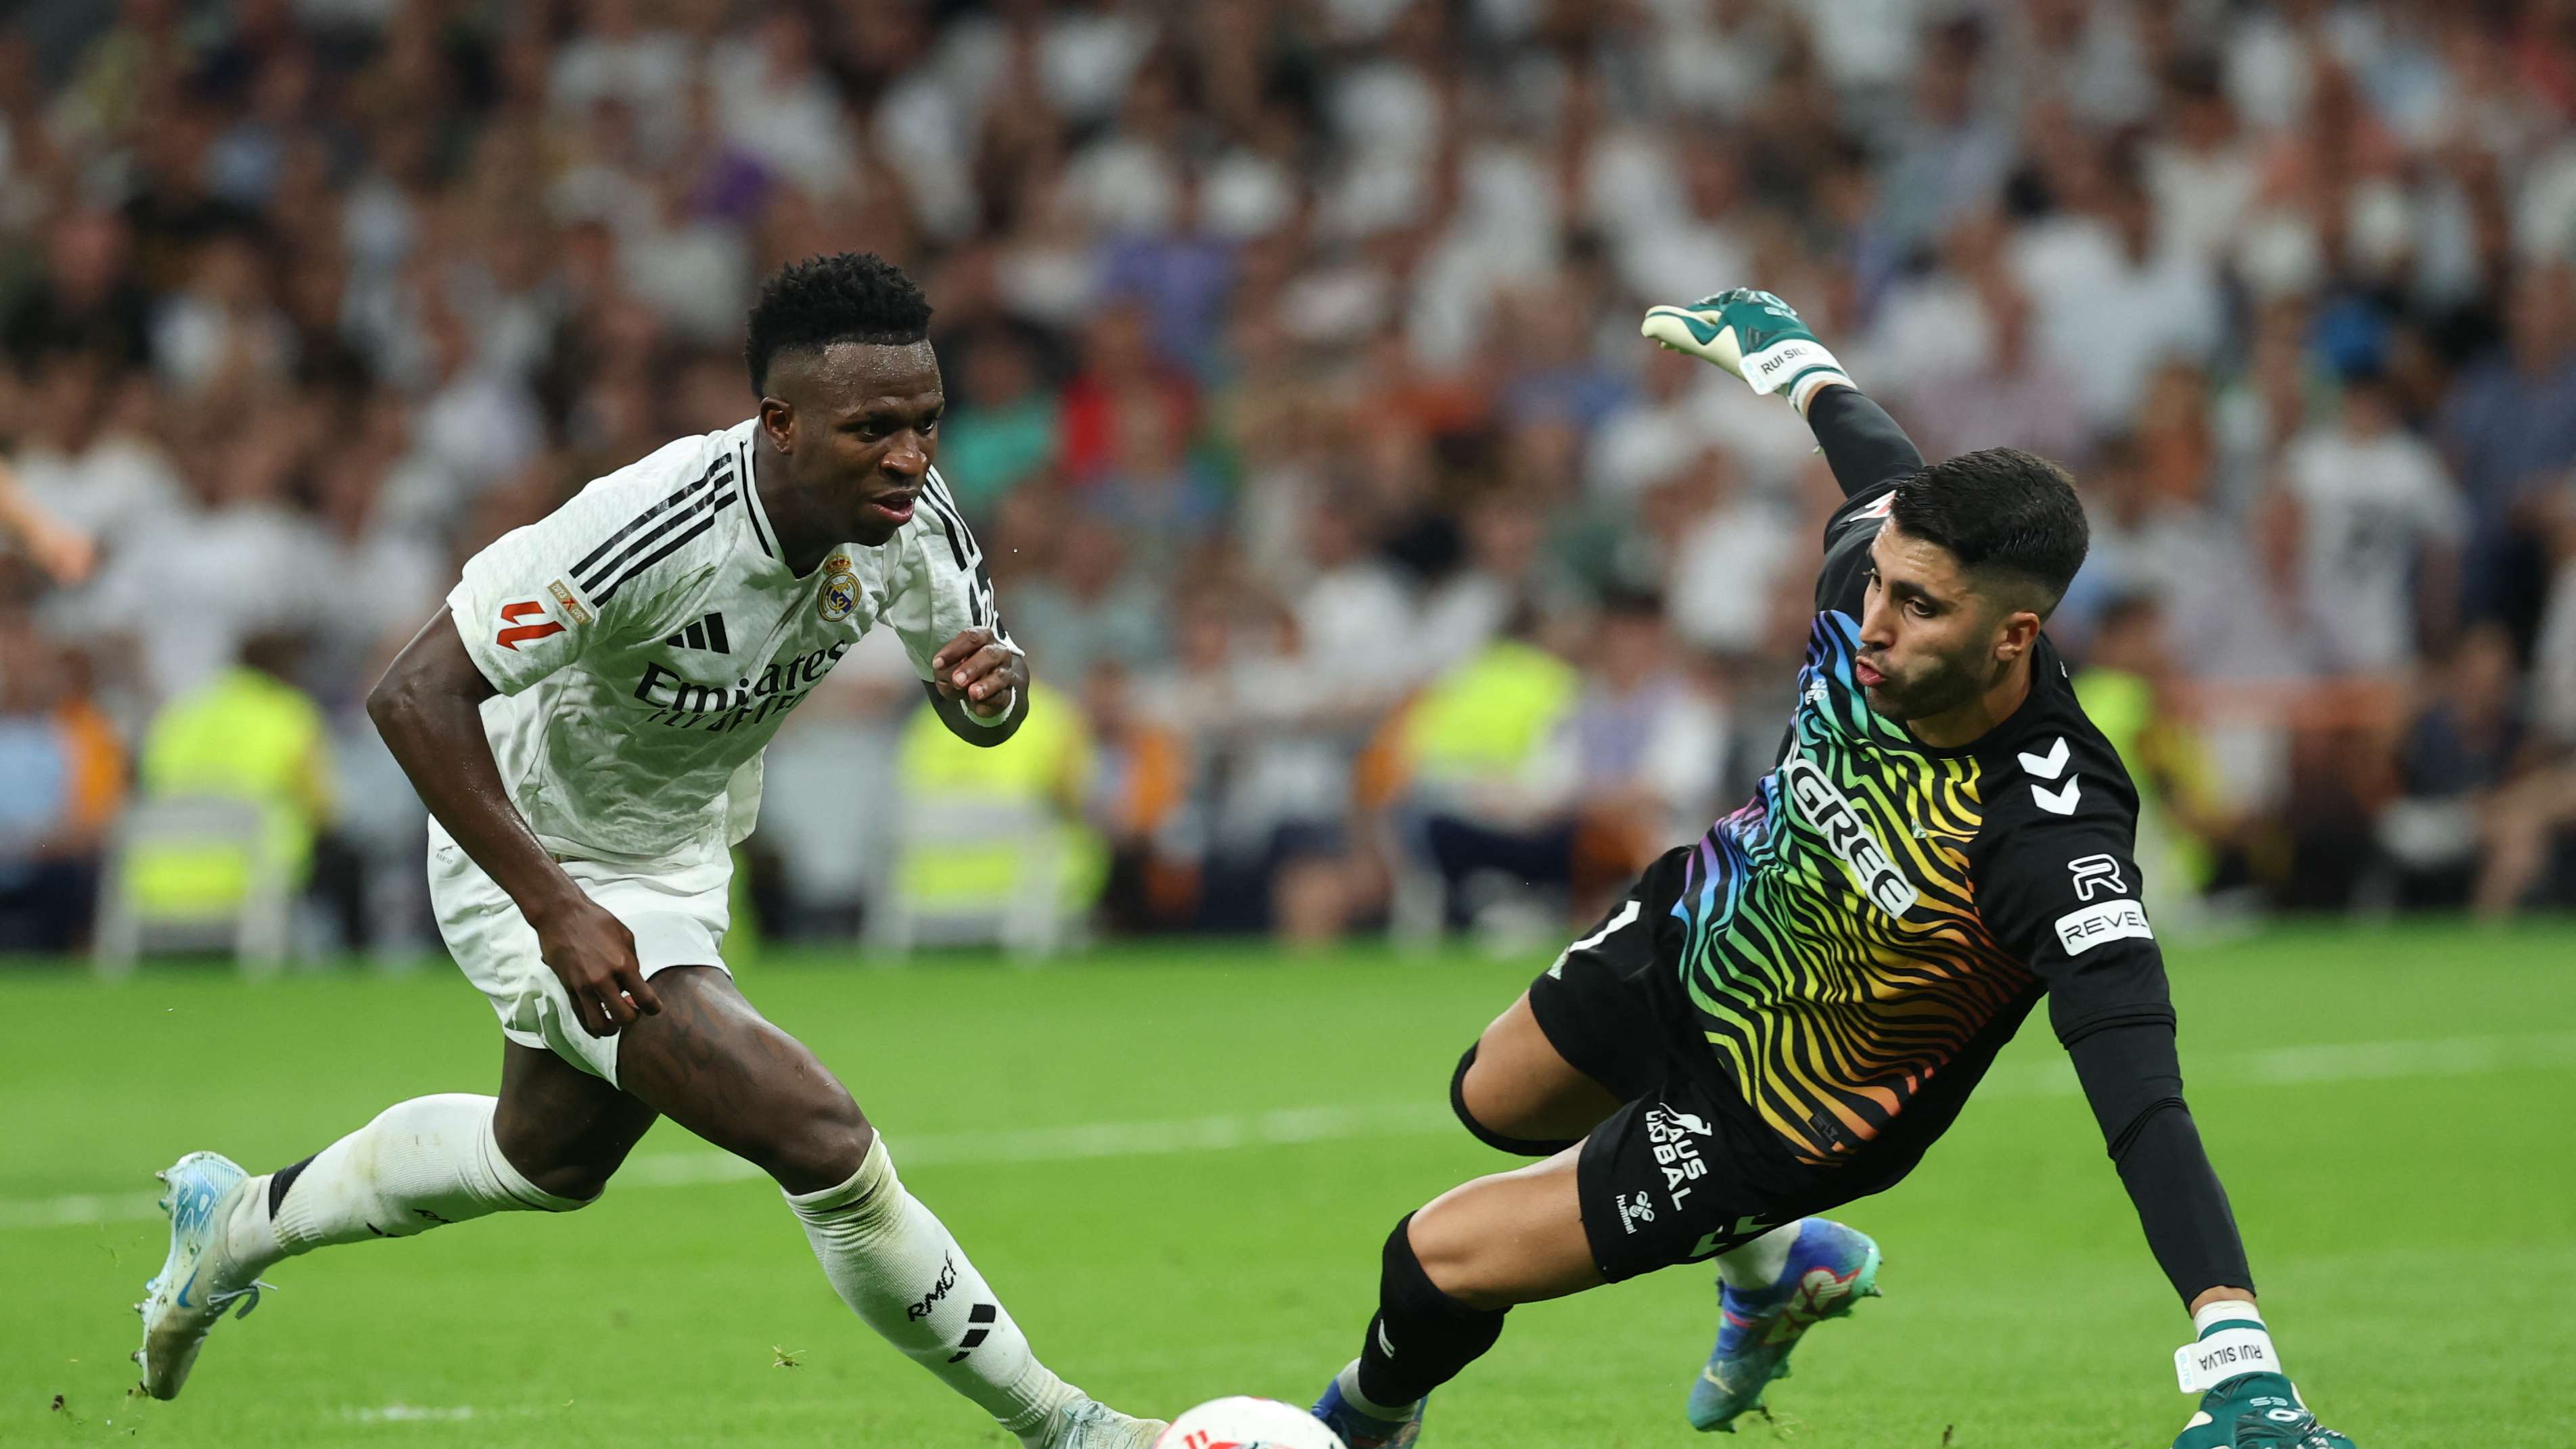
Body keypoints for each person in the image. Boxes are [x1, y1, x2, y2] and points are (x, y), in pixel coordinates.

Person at [131, 253, 1164, 1449]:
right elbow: (413, 696)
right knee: (819, 1136)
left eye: (927, 424)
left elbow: (977, 687)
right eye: (874, 427)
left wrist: (995, 694)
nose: (911, 457)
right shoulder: (648, 524)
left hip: (677, 851)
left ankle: (237, 1224)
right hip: (527, 847)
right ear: (779, 424)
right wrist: (556, 906)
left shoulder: (911, 522)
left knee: (544, 1157)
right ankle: (1075, 1429)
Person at [1307, 291, 2358, 1449]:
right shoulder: (1877, 563)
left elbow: (2142, 1096)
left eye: (1919, 606)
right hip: (1704, 921)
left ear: (2016, 637)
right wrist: (1791, 357)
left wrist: (2239, 1360)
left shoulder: (2047, 834)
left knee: (1432, 1258)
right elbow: (1872, 456)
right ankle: (1776, 1272)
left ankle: (1360, 1420)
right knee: (1488, 1098)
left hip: (1785, 1108)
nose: (1874, 623)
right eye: (1879, 582)